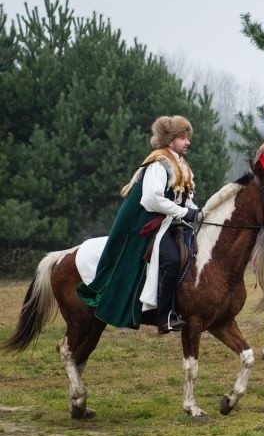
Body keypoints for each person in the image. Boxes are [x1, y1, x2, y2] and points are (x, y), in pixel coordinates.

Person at [77, 115, 200, 333]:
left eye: (187, 137)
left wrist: (198, 212)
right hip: (150, 224)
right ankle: (164, 317)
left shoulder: (182, 164)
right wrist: (183, 212)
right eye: (183, 137)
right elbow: (151, 199)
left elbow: (185, 197)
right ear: (170, 140)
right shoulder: (159, 163)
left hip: (172, 222)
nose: (188, 141)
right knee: (171, 260)